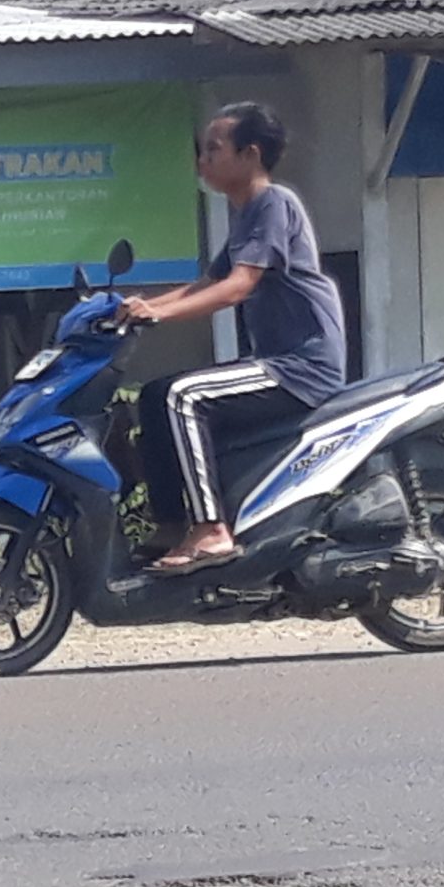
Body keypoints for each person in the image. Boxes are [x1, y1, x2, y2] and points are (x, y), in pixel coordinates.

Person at [116, 102, 348, 573]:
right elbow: (207, 283)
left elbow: (238, 286)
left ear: (250, 154)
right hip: (277, 364)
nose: (202, 160)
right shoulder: (246, 214)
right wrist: (138, 307)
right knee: (155, 395)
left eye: (213, 149)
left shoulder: (273, 203)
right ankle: (170, 524)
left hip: (301, 368)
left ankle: (211, 531)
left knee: (182, 397)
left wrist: (160, 315)